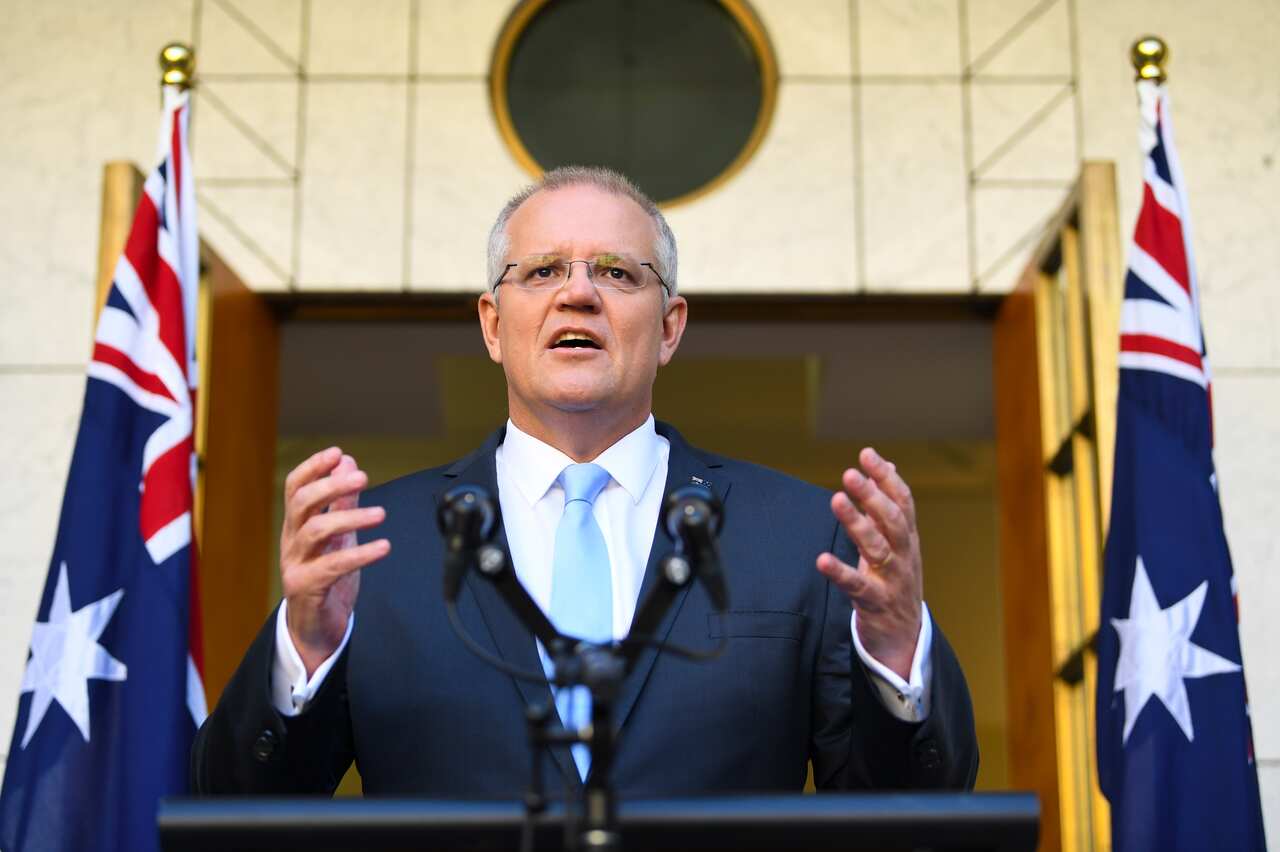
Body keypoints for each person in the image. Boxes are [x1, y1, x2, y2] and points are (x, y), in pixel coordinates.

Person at [192, 167, 978, 796]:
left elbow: (908, 818)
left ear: (669, 327)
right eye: (539, 271)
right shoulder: (375, 547)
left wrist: (896, 652)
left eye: (615, 272)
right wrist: (305, 651)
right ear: (493, 325)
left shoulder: (802, 536)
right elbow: (235, 809)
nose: (578, 292)